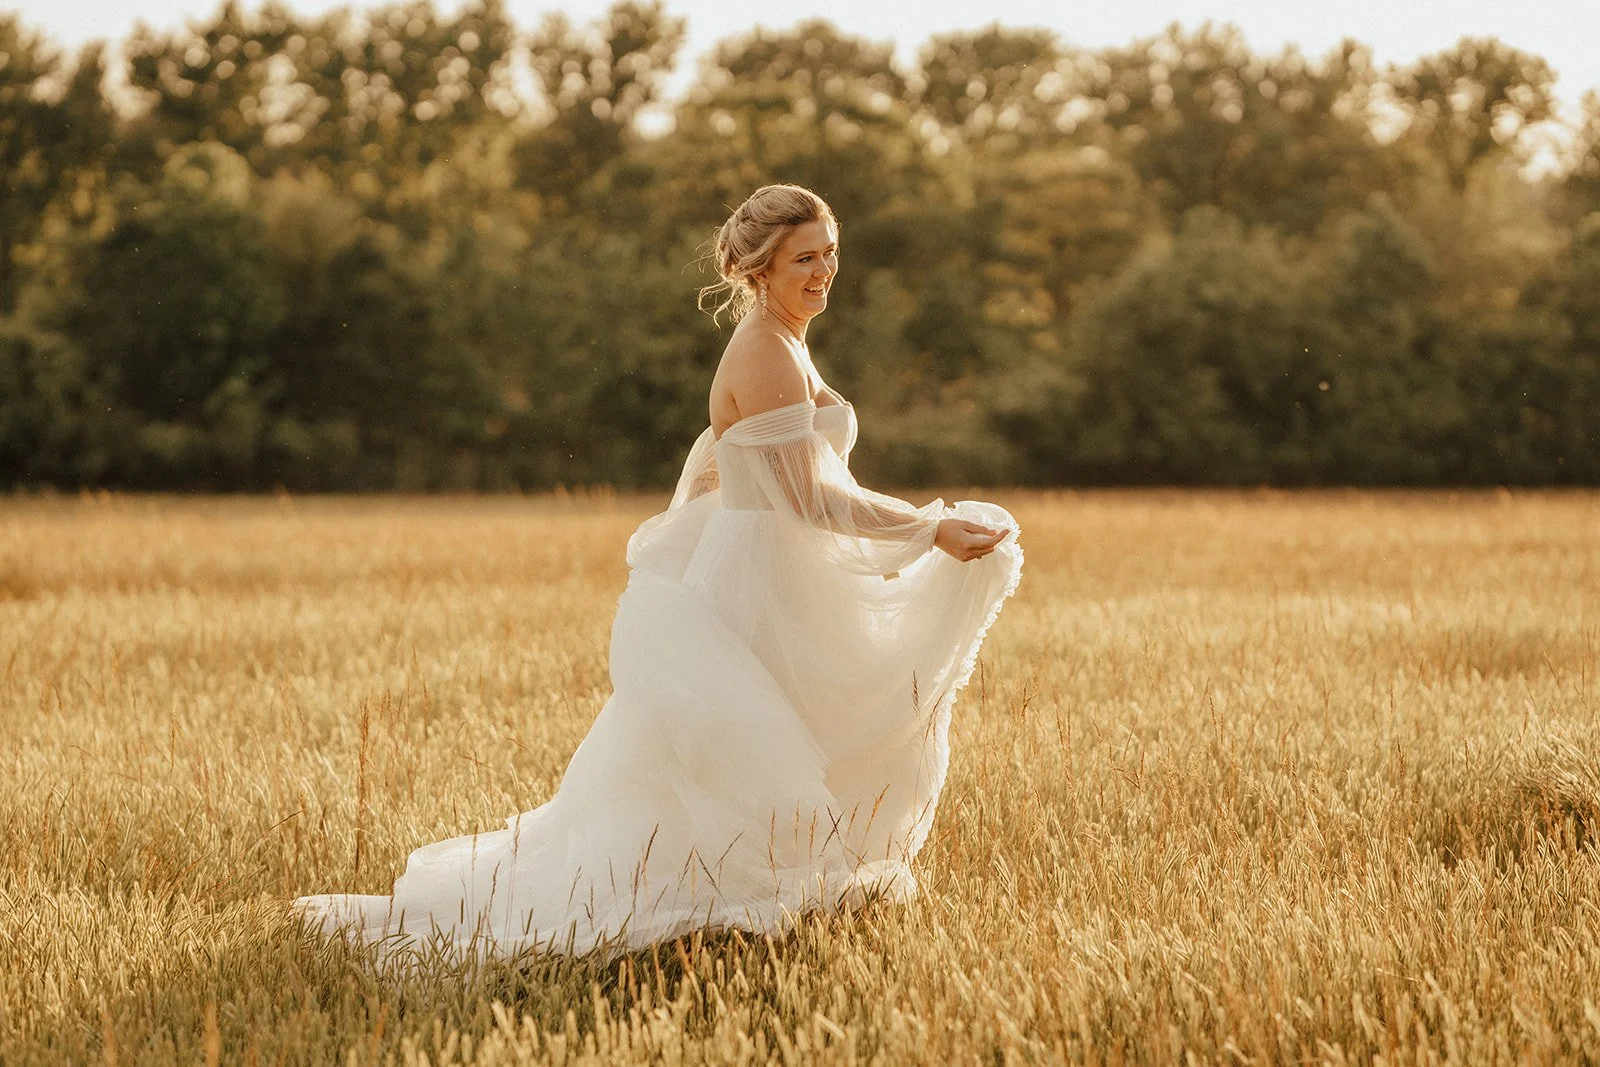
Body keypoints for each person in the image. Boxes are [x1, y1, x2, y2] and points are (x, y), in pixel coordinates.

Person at [293, 184, 1024, 960]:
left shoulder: (783, 340)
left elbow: (722, 464)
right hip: (764, 583)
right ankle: (691, 905)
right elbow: (811, 495)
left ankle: (766, 903)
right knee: (734, 756)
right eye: (803, 258)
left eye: (828, 253)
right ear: (759, 269)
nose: (823, 271)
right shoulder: (766, 350)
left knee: (790, 738)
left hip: (772, 571)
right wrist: (926, 528)